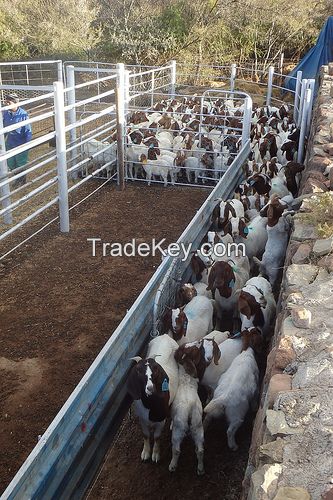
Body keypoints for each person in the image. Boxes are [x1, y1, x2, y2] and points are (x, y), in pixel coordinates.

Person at [3, 93, 32, 186]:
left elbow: (28, 130)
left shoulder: (23, 114)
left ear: (15, 103)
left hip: (20, 142)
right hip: (10, 142)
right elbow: (4, 128)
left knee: (20, 163)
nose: (6, 104)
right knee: (10, 162)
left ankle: (21, 180)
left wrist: (27, 145)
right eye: (6, 102)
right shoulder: (6, 113)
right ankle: (17, 178)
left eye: (8, 102)